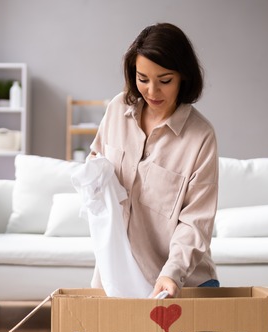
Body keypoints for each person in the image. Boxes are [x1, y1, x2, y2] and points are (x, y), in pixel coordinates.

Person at [89, 22, 219, 298]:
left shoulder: (200, 137)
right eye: (143, 78)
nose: (152, 91)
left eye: (164, 80)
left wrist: (172, 273)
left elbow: (196, 222)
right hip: (116, 278)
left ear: (183, 76)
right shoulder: (116, 109)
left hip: (180, 283)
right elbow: (96, 160)